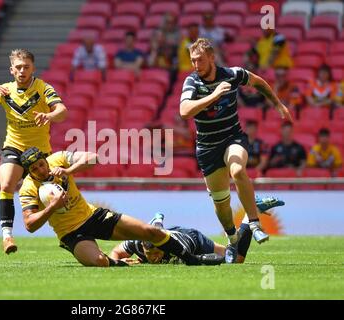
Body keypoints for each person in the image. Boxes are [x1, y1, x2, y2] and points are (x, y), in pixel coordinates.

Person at [179, 38, 293, 263]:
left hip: (233, 138)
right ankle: (232, 239)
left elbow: (258, 81)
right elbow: (184, 111)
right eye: (193, 60)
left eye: (200, 60)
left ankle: (255, 223)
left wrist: (277, 103)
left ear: (212, 57)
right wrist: (214, 95)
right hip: (207, 148)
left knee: (238, 170)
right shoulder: (192, 82)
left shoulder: (233, 74)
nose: (195, 65)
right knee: (222, 205)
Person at [19, 147, 215, 267]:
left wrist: (68, 170)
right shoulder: (28, 188)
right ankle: (115, 261)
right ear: (29, 172)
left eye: (41, 165)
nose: (40, 170)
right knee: (100, 262)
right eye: (34, 169)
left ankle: (191, 259)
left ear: (46, 159)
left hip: (92, 216)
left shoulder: (58, 159)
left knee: (150, 232)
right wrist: (52, 207)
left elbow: (94, 158)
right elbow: (29, 224)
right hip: (70, 232)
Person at [0, 49, 68, 254]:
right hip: (14, 147)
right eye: (18, 67)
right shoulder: (5, 91)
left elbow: (63, 111)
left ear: (32, 68)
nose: (22, 70)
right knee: (7, 185)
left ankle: (66, 234)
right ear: (11, 70)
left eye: (26, 67)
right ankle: (7, 236)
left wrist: (49, 115)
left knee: (54, 195)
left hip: (39, 153)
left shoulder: (43, 88)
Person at [111, 196, 285, 265]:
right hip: (171, 232)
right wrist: (120, 263)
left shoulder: (179, 246)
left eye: (157, 253)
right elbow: (116, 252)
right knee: (235, 257)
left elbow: (191, 261)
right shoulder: (136, 242)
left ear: (163, 246)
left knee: (235, 259)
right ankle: (251, 211)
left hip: (193, 239)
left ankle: (250, 211)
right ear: (142, 248)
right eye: (150, 254)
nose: (154, 257)